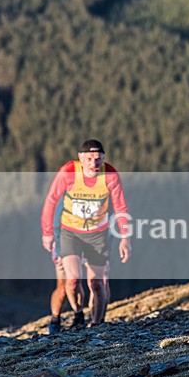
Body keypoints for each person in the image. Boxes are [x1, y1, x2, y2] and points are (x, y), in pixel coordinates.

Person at [41, 139, 131, 328]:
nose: (93, 164)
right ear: (80, 158)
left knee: (97, 283)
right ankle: (78, 313)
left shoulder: (110, 175)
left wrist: (125, 238)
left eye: (98, 159)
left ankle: (97, 325)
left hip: (98, 234)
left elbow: (120, 207)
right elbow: (51, 200)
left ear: (103, 158)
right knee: (72, 280)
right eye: (89, 159)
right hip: (70, 232)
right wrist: (47, 233)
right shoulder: (68, 172)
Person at [48, 197, 86, 335]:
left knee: (74, 282)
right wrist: (58, 248)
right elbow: (55, 221)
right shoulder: (66, 195)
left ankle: (79, 315)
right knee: (63, 287)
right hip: (63, 242)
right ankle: (55, 320)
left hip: (83, 242)